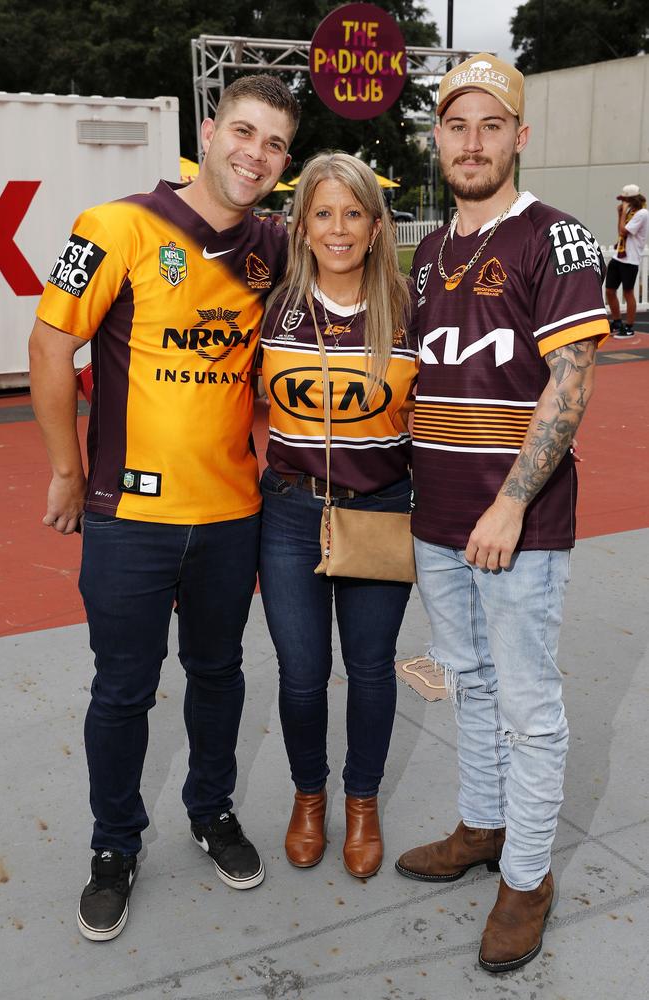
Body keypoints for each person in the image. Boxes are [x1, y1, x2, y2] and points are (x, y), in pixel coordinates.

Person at [28, 73, 300, 942]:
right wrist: (67, 471)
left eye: (276, 145)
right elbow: (50, 340)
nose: (256, 155)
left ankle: (211, 811)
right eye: (245, 133)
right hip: (127, 517)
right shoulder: (115, 227)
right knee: (123, 689)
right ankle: (114, 846)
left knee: (219, 676)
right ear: (210, 129)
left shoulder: (275, 248)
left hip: (230, 515)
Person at [394, 53, 609, 973]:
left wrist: (512, 506)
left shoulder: (555, 237)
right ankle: (482, 826)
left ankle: (527, 876)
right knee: (468, 682)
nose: (473, 143)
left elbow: (572, 381)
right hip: (435, 513)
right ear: (437, 138)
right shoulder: (432, 248)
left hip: (512, 523)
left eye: (492, 126)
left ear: (520, 137)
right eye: (457, 125)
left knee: (528, 702)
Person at [258, 152, 417, 878]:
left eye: (353, 213)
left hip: (381, 511)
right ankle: (309, 798)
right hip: (290, 513)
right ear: (302, 225)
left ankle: (361, 803)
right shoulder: (275, 303)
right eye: (323, 213)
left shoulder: (410, 310)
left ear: (378, 227)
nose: (339, 228)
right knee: (301, 672)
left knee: (371, 670)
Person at [605, 183, 648, 338]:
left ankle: (629, 326)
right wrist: (621, 214)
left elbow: (625, 230)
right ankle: (617, 322)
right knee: (609, 290)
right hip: (620, 256)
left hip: (631, 259)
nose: (622, 203)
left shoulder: (642, 213)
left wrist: (622, 213)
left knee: (628, 292)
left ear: (632, 199)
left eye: (625, 200)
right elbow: (621, 232)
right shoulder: (631, 212)